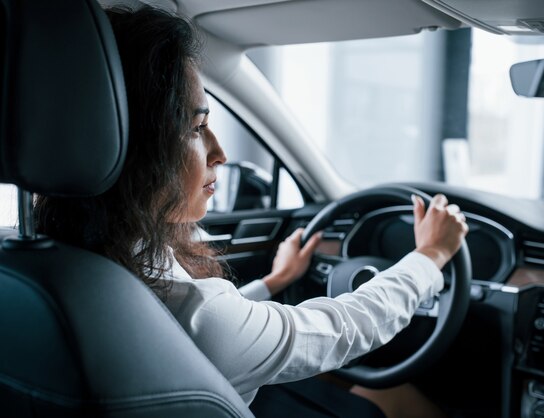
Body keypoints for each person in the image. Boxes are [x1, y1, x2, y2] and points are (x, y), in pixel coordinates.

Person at [34, 5, 468, 418]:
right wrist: (430, 256)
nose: (219, 153)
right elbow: (343, 329)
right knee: (395, 399)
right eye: (197, 127)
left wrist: (275, 282)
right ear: (134, 145)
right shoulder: (196, 314)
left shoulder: (50, 263)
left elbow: (206, 330)